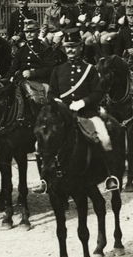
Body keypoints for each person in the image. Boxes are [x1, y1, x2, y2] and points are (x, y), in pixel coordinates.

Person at [47, 31, 120, 189]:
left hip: (86, 113)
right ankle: (45, 180)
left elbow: (98, 93)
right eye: (67, 47)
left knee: (105, 137)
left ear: (80, 47)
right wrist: (56, 101)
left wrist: (83, 102)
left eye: (73, 47)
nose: (70, 50)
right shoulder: (58, 70)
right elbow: (51, 93)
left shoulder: (90, 69)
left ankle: (110, 175)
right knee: (43, 143)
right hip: (63, 115)